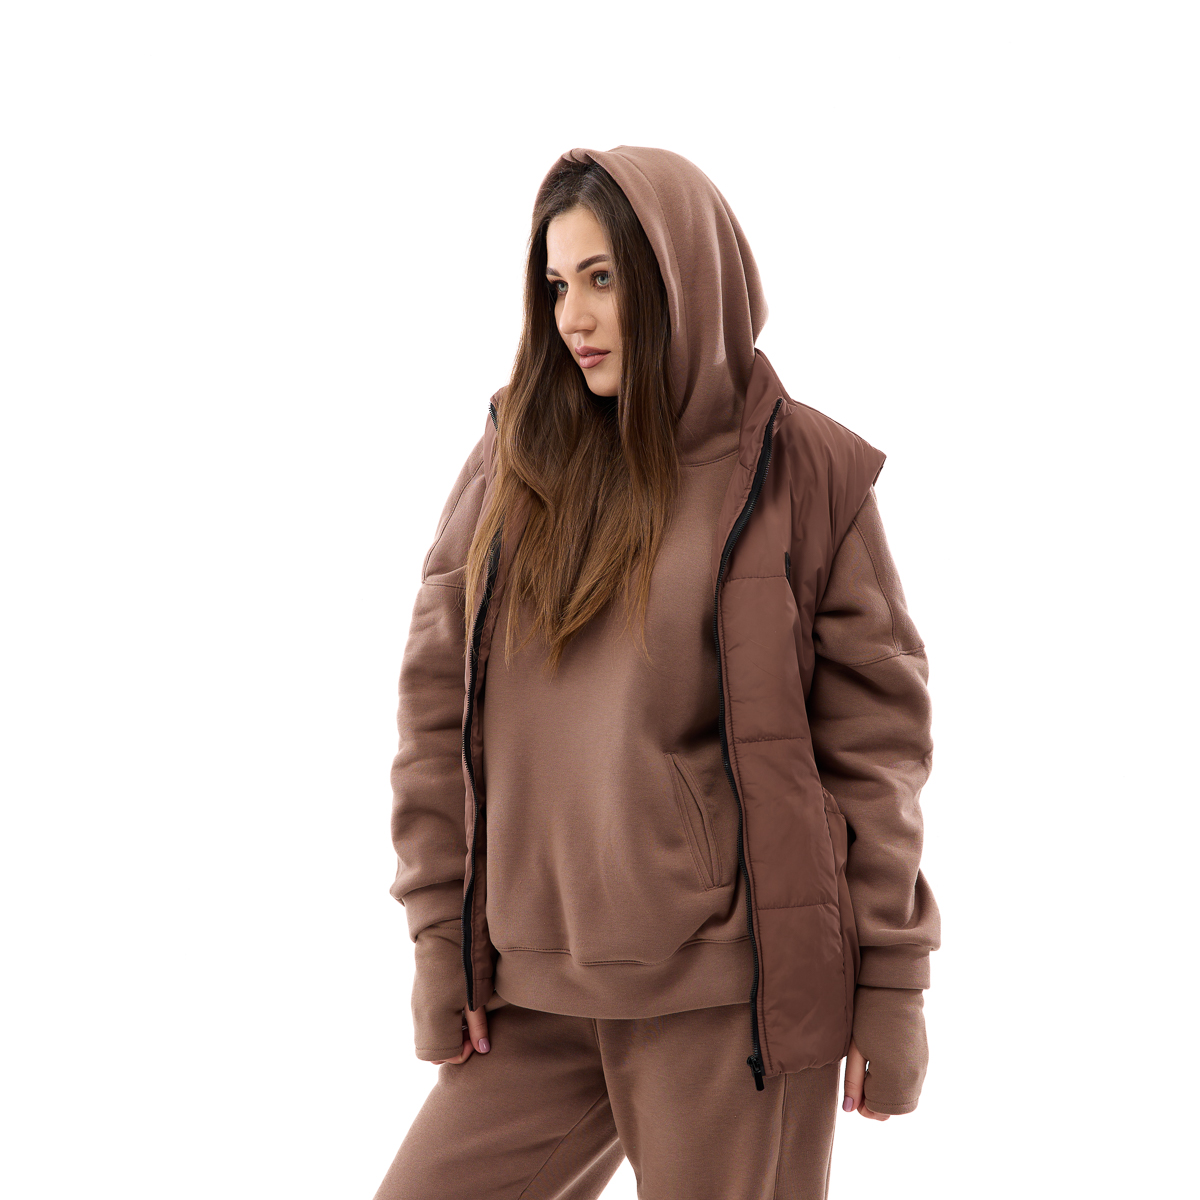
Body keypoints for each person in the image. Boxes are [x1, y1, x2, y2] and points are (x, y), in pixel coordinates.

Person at [372, 145, 941, 1200]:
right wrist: (440, 945)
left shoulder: (805, 472)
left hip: (727, 1003)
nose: (574, 318)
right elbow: (433, 714)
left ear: (683, 278)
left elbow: (878, 757)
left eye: (602, 279)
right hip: (533, 993)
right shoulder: (515, 456)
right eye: (556, 285)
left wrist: (893, 990)